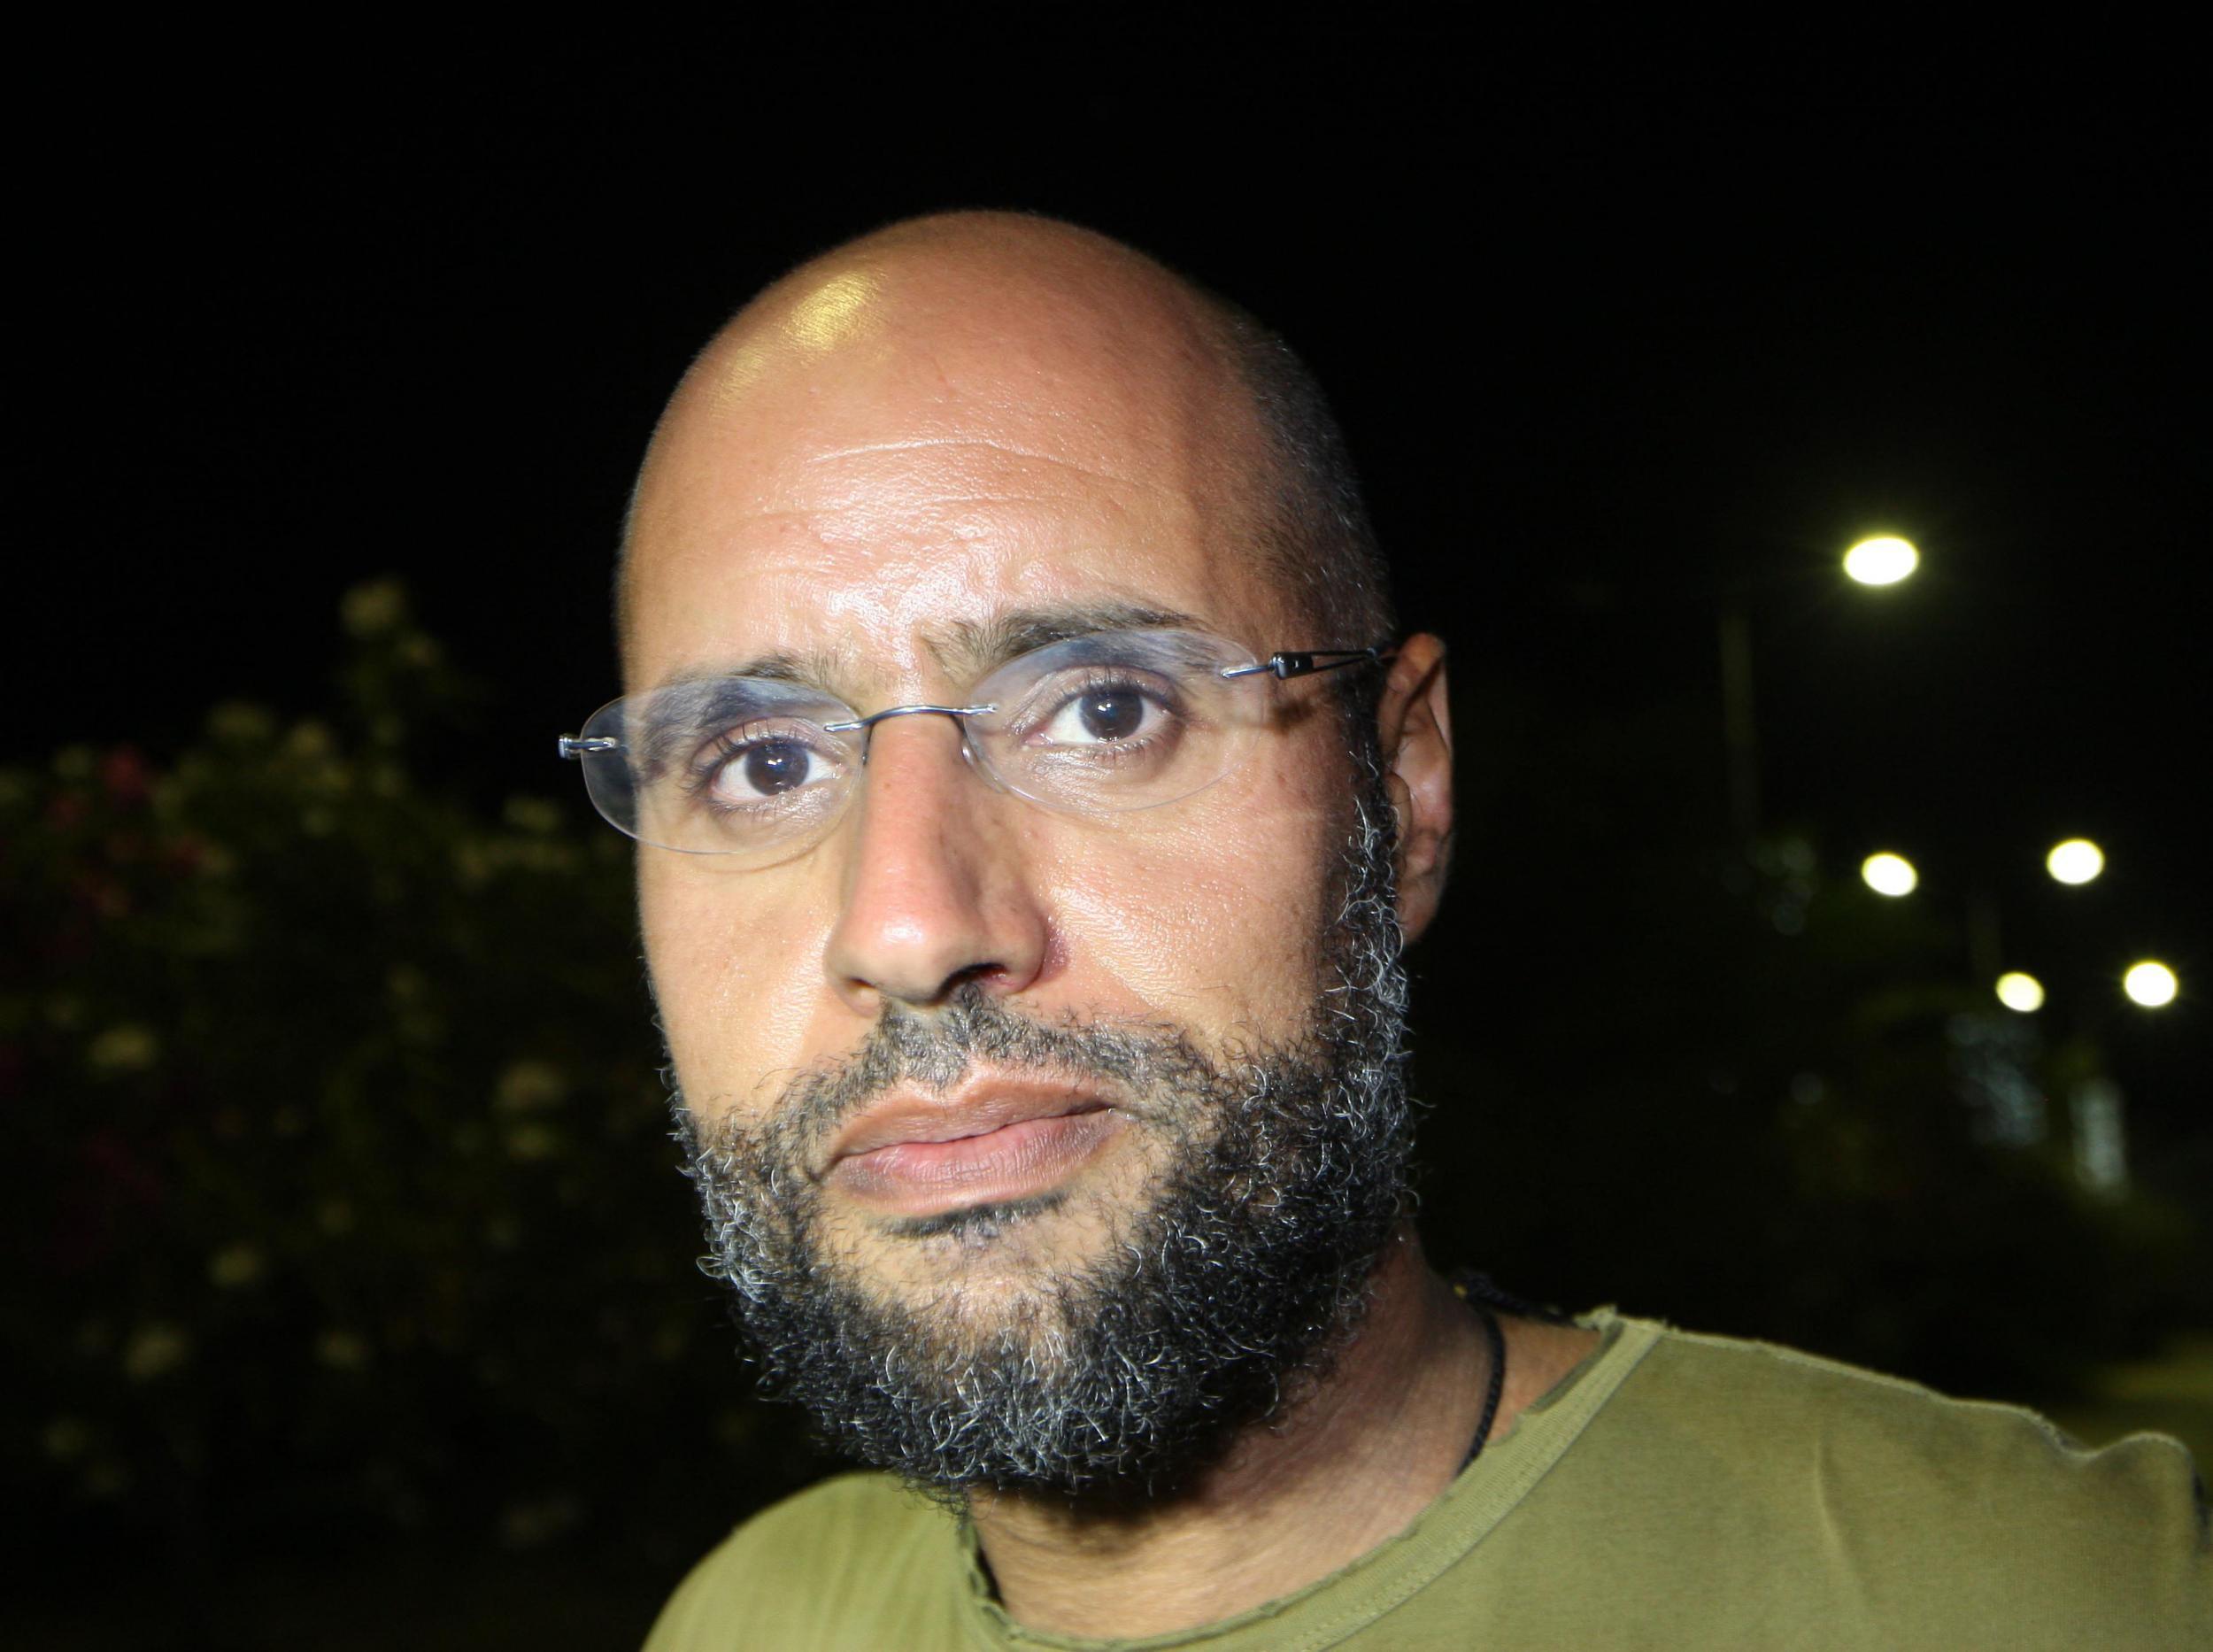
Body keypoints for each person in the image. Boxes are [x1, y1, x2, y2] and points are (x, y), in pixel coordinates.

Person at [562, 212, 2209, 1648]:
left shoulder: (2069, 1600)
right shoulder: (749, 1616)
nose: (910, 921)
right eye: (761, 760)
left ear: (1402, 790)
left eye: (1107, 708)